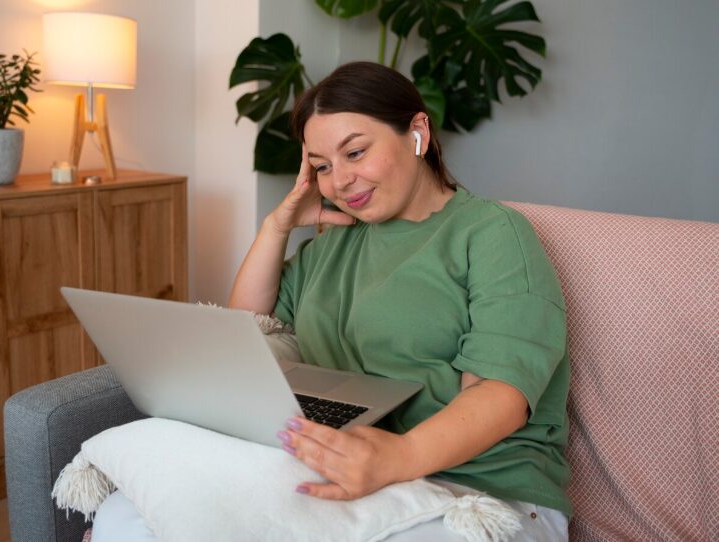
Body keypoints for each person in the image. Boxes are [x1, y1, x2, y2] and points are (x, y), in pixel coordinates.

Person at [92, 61, 571, 541]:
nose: (340, 181)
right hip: (352, 472)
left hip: (477, 492)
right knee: (128, 516)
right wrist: (277, 227)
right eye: (322, 166)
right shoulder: (333, 244)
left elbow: (500, 395)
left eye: (355, 152)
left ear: (418, 132)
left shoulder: (492, 233)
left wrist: (396, 457)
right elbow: (246, 334)